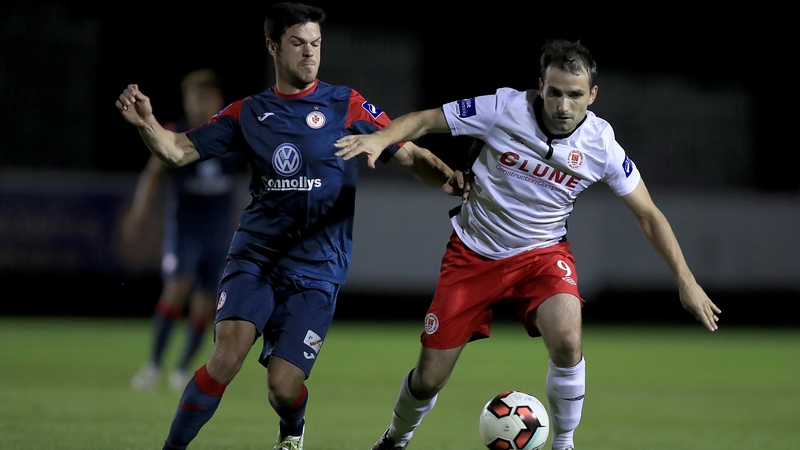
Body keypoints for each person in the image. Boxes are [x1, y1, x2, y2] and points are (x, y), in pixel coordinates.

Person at [333, 38, 722, 450]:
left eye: (575, 95)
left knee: (569, 338)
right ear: (541, 86)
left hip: (542, 254)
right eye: (554, 92)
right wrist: (381, 139)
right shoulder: (503, 108)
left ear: (592, 95)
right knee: (429, 376)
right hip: (474, 254)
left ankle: (564, 443)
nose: (563, 106)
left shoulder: (601, 144)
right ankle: (397, 437)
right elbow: (424, 120)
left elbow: (648, 214)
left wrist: (686, 279)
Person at [115, 3, 462, 449]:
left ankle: (292, 427)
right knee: (226, 356)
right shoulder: (249, 113)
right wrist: (146, 122)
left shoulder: (346, 104)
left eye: (316, 44)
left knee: (283, 386)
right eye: (298, 44)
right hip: (255, 257)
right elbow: (177, 151)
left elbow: (410, 153)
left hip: (318, 269)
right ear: (273, 46)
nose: (309, 53)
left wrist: (450, 179)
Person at [124, 68, 246, 392]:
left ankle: (180, 369)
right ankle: (153, 365)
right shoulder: (175, 132)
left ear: (218, 100)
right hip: (185, 229)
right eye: (194, 97)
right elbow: (153, 173)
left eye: (205, 97)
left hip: (220, 233)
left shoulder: (231, 134)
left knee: (206, 304)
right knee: (177, 289)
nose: (200, 104)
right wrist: (140, 212)